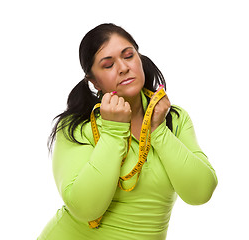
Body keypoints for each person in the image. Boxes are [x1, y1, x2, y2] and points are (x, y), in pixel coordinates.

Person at [38, 23, 218, 240]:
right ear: (94, 81)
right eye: (108, 65)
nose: (123, 67)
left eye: (128, 56)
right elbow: (85, 208)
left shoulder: (174, 119)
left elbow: (200, 192)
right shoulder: (77, 126)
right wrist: (114, 133)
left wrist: (158, 131)